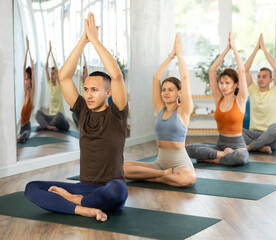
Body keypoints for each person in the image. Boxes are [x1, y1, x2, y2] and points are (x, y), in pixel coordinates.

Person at [24, 12, 128, 222]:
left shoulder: (116, 113)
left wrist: (95, 41)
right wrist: (83, 39)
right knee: (31, 188)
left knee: (117, 190)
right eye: (86, 89)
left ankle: (74, 202)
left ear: (108, 93)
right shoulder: (82, 111)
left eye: (94, 90)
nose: (88, 94)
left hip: (109, 188)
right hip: (84, 187)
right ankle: (83, 208)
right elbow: (64, 76)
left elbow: (116, 75)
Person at [124, 34, 196, 187]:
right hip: (160, 163)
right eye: (164, 90)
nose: (166, 93)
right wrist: (171, 55)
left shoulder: (183, 110)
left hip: (180, 163)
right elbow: (156, 78)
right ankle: (162, 175)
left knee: (188, 179)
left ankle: (155, 177)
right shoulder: (159, 109)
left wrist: (180, 55)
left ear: (179, 92)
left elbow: (185, 77)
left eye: (171, 90)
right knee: (121, 168)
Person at [186, 33, 249, 166]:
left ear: (235, 84)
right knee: (188, 149)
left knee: (240, 157)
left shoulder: (241, 99)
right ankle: (222, 156)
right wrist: (226, 49)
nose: (223, 86)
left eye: (227, 83)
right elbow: (212, 70)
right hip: (220, 145)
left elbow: (242, 71)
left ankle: (211, 159)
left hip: (238, 146)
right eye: (222, 83)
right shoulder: (218, 98)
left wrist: (234, 49)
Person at [242, 34, 276, 154]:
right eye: (259, 76)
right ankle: (260, 147)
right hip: (254, 133)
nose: (260, 79)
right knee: (236, 131)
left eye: (264, 77)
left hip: (270, 136)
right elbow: (245, 70)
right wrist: (256, 49)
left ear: (271, 80)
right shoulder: (253, 90)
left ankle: (250, 147)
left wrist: (264, 49)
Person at [35, 41, 69, 132]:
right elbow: (46, 68)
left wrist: (52, 54)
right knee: (38, 113)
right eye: (51, 74)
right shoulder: (50, 83)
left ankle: (45, 126)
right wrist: (48, 53)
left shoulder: (58, 84)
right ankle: (49, 126)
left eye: (53, 74)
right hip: (51, 116)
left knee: (59, 116)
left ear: (57, 75)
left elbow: (57, 69)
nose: (52, 75)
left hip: (59, 118)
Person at [17, 36, 35, 144]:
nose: (25, 81)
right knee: (18, 138)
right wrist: (26, 50)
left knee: (21, 138)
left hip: (27, 129)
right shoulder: (25, 93)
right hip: (21, 128)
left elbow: (31, 69)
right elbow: (23, 68)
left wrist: (30, 51)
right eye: (24, 79)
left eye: (27, 79)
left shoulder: (31, 94)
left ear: (31, 80)